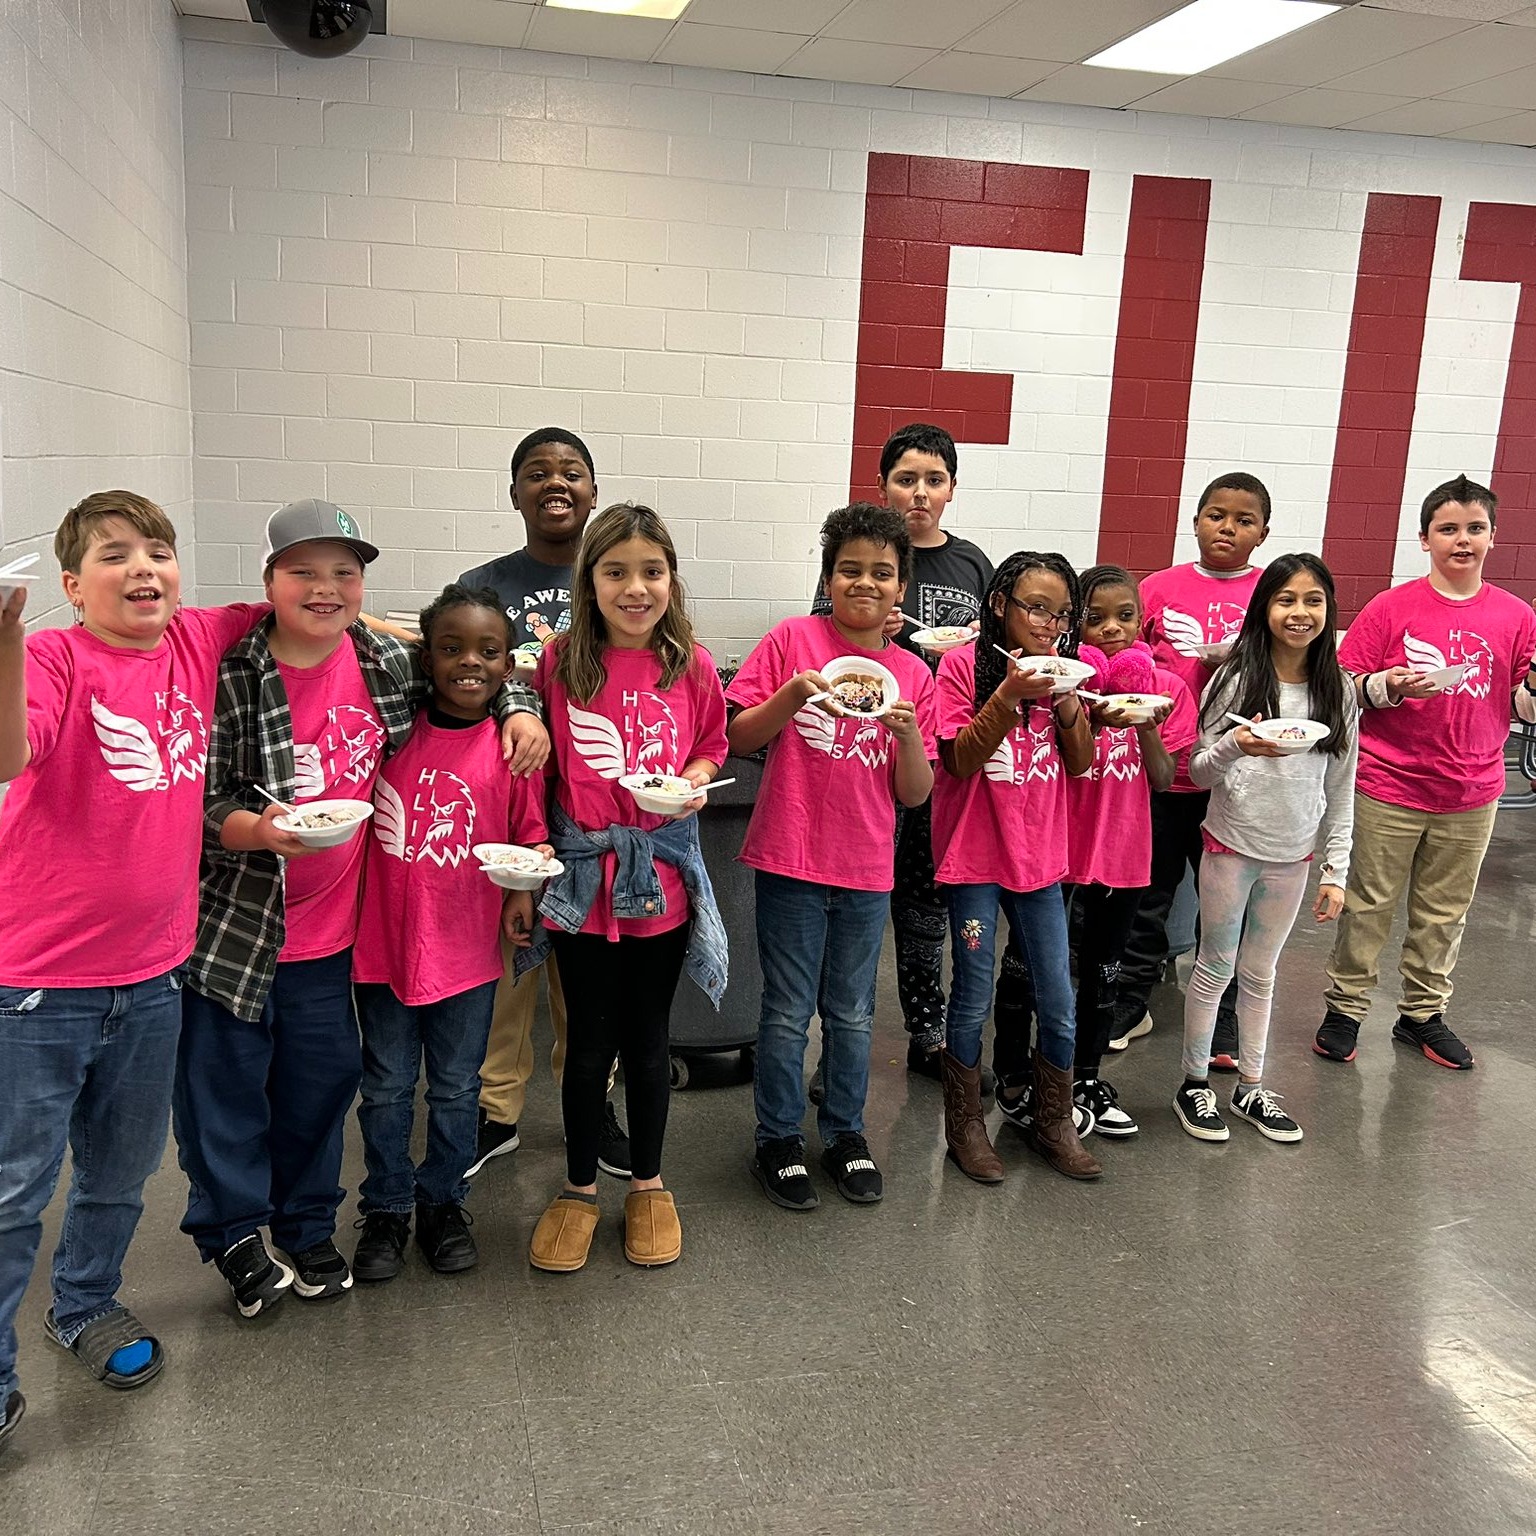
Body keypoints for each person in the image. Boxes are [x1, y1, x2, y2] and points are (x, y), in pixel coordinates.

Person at [175, 498, 547, 1319]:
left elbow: (477, 677)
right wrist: (258, 830)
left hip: (337, 936)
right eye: (303, 571)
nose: (325, 587)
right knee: (228, 1096)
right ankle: (238, 1236)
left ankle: (313, 1226)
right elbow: (187, 797)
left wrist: (523, 711)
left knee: (324, 1087)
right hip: (240, 926)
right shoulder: (230, 671)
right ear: (269, 579)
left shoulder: (383, 662)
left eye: (343, 572)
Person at [0, 491, 268, 1449]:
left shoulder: (197, 641)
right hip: (36, 987)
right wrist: (2, 633)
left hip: (155, 976)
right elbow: (9, 751)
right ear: (73, 586)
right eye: (115, 556)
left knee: (118, 1175)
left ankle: (83, 1306)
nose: (144, 568)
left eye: (158, 550)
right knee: (14, 1190)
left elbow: (308, 602)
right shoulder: (51, 656)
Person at [525, 503, 729, 1274]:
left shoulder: (692, 665)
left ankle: (647, 1182)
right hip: (581, 885)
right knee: (585, 1048)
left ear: (672, 580)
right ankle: (579, 1188)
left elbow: (710, 743)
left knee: (648, 1043)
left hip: (663, 884)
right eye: (616, 572)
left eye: (651, 571)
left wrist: (696, 780)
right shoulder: (561, 663)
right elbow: (542, 768)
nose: (635, 588)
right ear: (590, 581)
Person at [729, 504, 936, 1210]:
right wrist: (791, 694)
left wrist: (908, 736)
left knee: (850, 1013)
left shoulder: (911, 672)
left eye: (882, 573)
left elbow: (915, 795)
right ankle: (778, 1139)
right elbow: (735, 734)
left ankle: (846, 1134)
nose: (866, 584)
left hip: (865, 867)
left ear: (901, 587)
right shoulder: (791, 640)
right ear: (827, 577)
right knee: (786, 1011)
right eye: (850, 569)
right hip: (789, 857)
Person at [350, 585, 552, 1283]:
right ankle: (384, 1209)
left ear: (507, 665)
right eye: (451, 648)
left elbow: (530, 833)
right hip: (380, 948)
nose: (470, 663)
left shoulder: (512, 748)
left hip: (467, 953)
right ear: (426, 659)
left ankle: (442, 1202)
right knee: (384, 1088)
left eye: (488, 651)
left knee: (458, 1089)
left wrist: (525, 888)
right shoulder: (390, 735)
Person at [1315, 475, 1536, 1070]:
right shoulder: (1392, 607)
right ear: (1425, 538)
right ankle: (1346, 1009)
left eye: (1475, 528)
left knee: (1445, 912)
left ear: (1494, 536)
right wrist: (1386, 687)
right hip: (1389, 785)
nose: (1462, 540)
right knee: (1368, 905)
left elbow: (1522, 704)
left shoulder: (1515, 615)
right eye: (1448, 529)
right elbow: (1338, 688)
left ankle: (1422, 1015)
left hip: (1473, 790)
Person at [458, 428, 630, 1182]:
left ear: (594, 490)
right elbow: (461, 682)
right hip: (512, 807)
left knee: (590, 976)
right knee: (508, 968)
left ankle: (596, 1106)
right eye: (536, 473)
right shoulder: (484, 585)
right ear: (514, 493)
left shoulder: (617, 581)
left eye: (571, 472)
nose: (555, 483)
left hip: (596, 813)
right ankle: (495, 1112)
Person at [813, 424, 992, 1082]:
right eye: (905, 479)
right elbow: (822, 642)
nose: (919, 492)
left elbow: (993, 658)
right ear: (883, 485)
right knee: (848, 910)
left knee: (924, 903)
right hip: (859, 761)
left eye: (934, 479)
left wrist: (971, 643)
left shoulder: (973, 561)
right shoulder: (860, 557)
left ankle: (927, 1027)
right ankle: (835, 1050)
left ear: (951, 489)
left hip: (937, 755)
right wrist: (867, 631)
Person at [1175, 554, 1357, 1143]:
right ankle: (1193, 1083)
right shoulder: (1236, 678)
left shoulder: (1340, 690)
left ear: (1328, 610)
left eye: (1313, 600)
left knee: (1261, 973)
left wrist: (1336, 869)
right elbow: (1199, 772)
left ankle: (1252, 1084)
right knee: (1213, 968)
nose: (1299, 613)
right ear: (1264, 609)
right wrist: (1238, 746)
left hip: (1293, 857)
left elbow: (1341, 789)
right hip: (1229, 846)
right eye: (1286, 600)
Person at [933, 552, 1100, 1182]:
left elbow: (1081, 763)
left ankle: (1052, 1121)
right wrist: (1009, 693)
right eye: (1035, 607)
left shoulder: (1063, 670)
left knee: (1057, 995)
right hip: (976, 858)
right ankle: (965, 1125)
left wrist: (1065, 701)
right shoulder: (961, 665)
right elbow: (959, 761)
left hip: (1040, 861)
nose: (1049, 624)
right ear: (1000, 603)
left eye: (1061, 614)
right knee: (972, 991)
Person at [1111, 472, 1273, 1066]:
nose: (1227, 527)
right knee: (1148, 891)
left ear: (1262, 533)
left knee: (1225, 901)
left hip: (1233, 777)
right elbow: (1127, 658)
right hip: (1160, 770)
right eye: (1216, 514)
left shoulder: (1269, 593)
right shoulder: (1158, 588)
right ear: (1196, 518)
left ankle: (1224, 1013)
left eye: (1244, 519)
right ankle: (1133, 995)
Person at [1065, 567, 1197, 1135]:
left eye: (1124, 617)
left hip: (1125, 849)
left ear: (1142, 621)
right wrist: (1087, 712)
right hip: (1062, 848)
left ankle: (1088, 1074)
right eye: (1095, 619)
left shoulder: (1167, 689)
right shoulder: (1066, 681)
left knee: (1105, 968)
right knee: (1047, 966)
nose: (1111, 629)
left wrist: (1144, 723)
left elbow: (1166, 779)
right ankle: (1043, 1074)